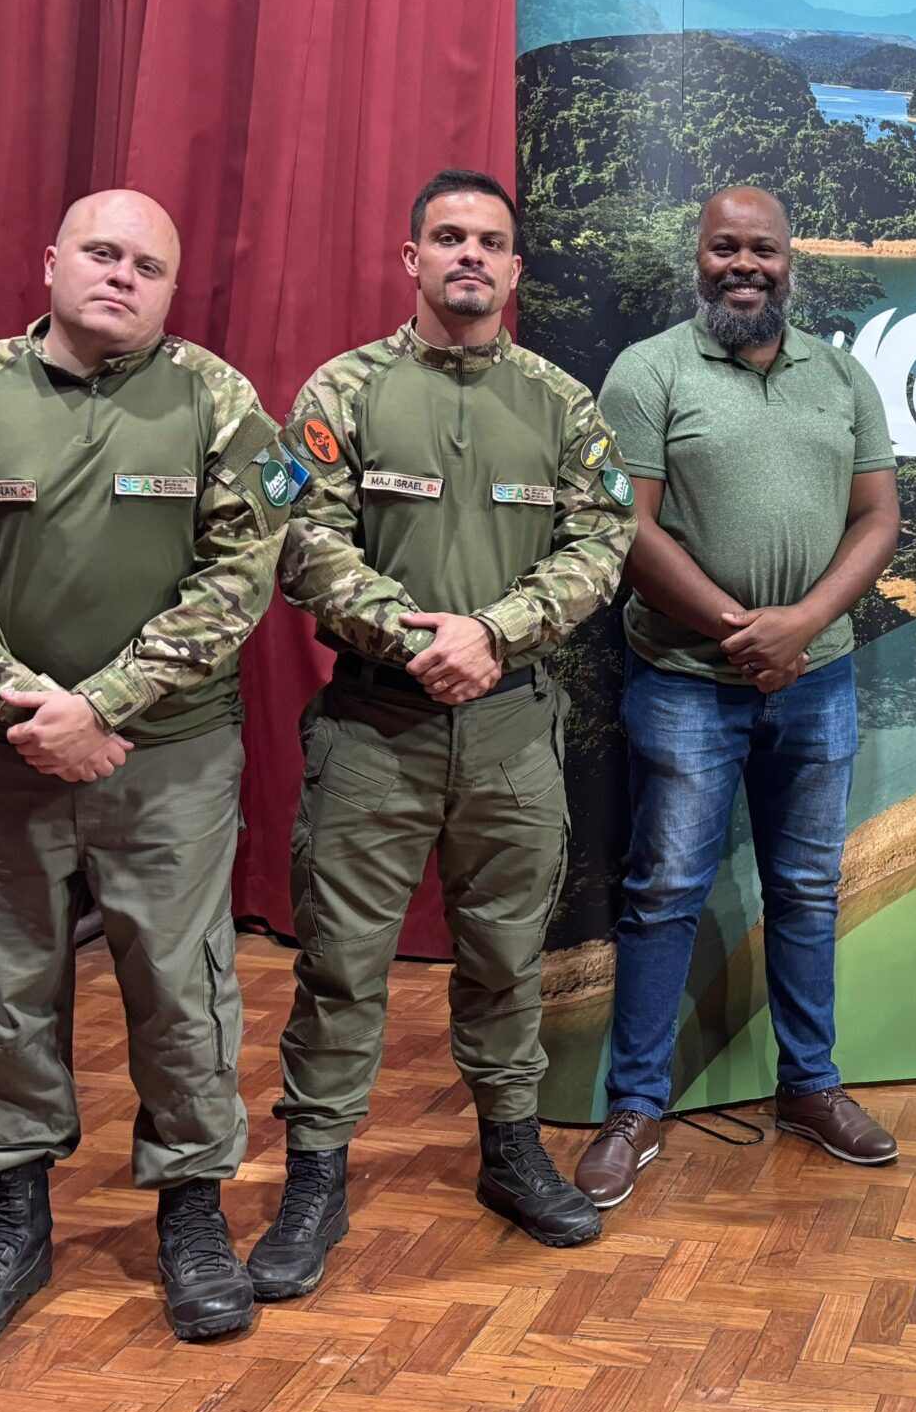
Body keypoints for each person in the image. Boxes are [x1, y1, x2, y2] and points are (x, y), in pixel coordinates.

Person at [0, 189, 301, 1356]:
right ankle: (11, 1224)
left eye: (147, 266)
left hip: (168, 759)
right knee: (0, 988)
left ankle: (193, 1219)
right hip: (3, 759)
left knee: (181, 988)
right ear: (50, 261)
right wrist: (36, 710)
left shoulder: (219, 404)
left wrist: (101, 706)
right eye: (101, 254)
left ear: (171, 289)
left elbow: (238, 581)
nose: (121, 276)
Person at [249, 166, 633, 1299]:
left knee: (508, 957)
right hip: (375, 724)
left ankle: (510, 1152)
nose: (471, 255)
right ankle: (316, 1178)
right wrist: (415, 636)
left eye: (490, 241)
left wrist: (493, 633)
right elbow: (301, 537)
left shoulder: (563, 406)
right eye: (449, 237)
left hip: (511, 727)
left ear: (515, 268)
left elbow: (601, 542)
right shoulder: (343, 391)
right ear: (410, 257)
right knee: (340, 963)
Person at [576, 185, 903, 1210]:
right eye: (726, 248)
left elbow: (878, 518)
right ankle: (635, 1107)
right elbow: (626, 529)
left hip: (820, 677)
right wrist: (741, 630)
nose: (744, 266)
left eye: (763, 249)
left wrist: (801, 626)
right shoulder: (649, 372)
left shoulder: (842, 376)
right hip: (684, 682)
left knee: (805, 890)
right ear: (700, 256)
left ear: (790, 261)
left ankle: (809, 1087)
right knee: (664, 892)